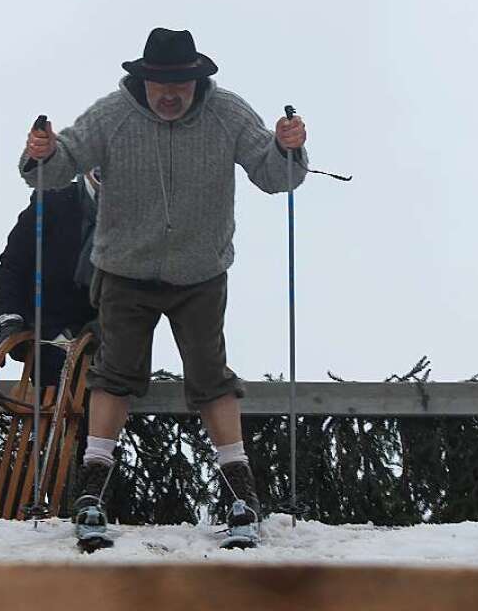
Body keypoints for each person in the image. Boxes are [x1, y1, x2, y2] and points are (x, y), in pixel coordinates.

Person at [20, 27, 308, 544]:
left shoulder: (227, 113)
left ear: (198, 79)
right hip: (124, 270)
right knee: (114, 374)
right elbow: (56, 168)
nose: (171, 95)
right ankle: (90, 491)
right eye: (160, 84)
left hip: (200, 272)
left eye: (181, 84)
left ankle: (243, 495)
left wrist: (289, 147)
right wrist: (41, 151)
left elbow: (274, 175)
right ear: (144, 79)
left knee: (211, 376)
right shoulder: (111, 114)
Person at [0, 171, 100, 386]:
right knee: (47, 400)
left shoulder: (135, 215)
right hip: (46, 329)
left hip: (103, 335)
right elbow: (14, 263)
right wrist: (11, 320)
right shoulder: (51, 199)